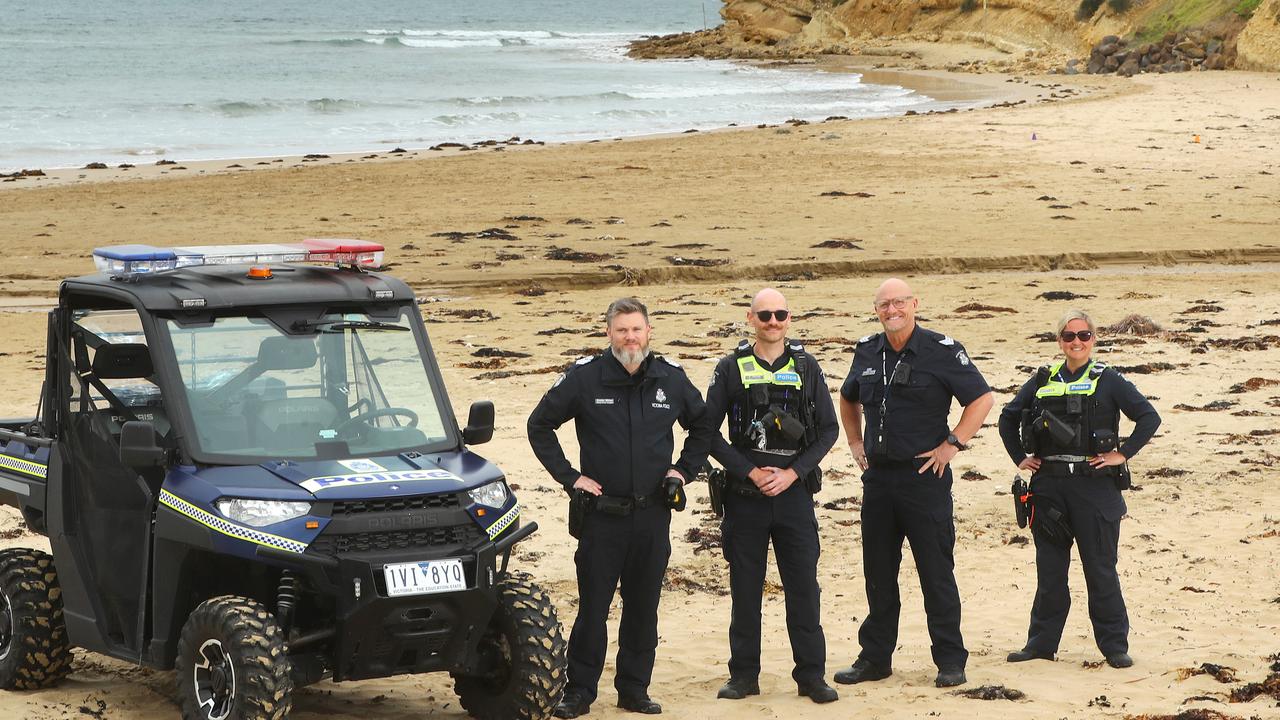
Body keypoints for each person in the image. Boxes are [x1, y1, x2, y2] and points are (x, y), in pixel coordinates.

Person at [528, 297, 713, 718]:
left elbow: (702, 425)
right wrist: (570, 477)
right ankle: (579, 693)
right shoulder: (585, 378)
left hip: (652, 516)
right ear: (608, 333)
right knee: (593, 608)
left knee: (643, 608)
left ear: (649, 332)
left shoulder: (671, 378)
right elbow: (539, 425)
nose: (630, 337)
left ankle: (634, 689)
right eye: (622, 330)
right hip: (601, 517)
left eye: (637, 329)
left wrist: (683, 471)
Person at [834, 278, 994, 689]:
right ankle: (875, 659)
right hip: (879, 481)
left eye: (899, 302)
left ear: (914, 304)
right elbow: (848, 397)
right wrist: (854, 441)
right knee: (879, 574)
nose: (892, 310)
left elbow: (981, 399)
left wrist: (952, 444)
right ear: (877, 310)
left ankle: (950, 660)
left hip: (925, 478)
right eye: (884, 304)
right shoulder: (867, 350)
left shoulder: (942, 350)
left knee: (936, 572)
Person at [997, 309, 1160, 669]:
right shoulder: (1042, 378)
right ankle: (1040, 645)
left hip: (1095, 486)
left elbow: (1149, 417)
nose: (1076, 342)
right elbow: (1007, 417)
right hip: (1049, 487)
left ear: (1093, 339)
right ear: (1059, 341)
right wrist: (1019, 459)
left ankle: (1114, 647)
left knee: (1100, 569)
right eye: (1069, 336)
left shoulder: (1110, 379)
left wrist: (1122, 454)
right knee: (1050, 570)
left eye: (1083, 336)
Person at [702, 288, 841, 704]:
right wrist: (749, 470)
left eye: (780, 314)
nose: (773, 321)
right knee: (745, 590)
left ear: (789, 318)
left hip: (794, 497)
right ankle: (743, 676)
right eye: (765, 315)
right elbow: (706, 431)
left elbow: (830, 430)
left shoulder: (805, 365)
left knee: (804, 589)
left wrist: (794, 472)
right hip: (745, 496)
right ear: (751, 318)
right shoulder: (730, 367)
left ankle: (811, 677)